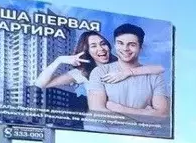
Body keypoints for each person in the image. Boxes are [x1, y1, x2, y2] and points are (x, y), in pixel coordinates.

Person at [34, 31, 164, 108]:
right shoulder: (82, 73)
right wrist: (59, 60)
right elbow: (40, 84)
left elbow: (159, 68)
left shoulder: (122, 61)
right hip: (106, 121)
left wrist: (127, 72)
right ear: (87, 51)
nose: (101, 49)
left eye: (103, 44)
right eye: (93, 46)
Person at [87, 23, 171, 117]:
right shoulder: (100, 72)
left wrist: (120, 109)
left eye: (132, 44)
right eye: (120, 43)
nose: (125, 48)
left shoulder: (155, 77)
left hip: (140, 132)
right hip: (104, 131)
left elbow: (162, 115)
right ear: (114, 45)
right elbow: (98, 112)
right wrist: (145, 116)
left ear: (140, 48)